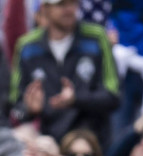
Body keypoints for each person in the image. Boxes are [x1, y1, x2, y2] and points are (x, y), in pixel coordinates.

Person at [9, 0, 120, 146]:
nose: (69, 9)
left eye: (73, 3)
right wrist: (28, 110)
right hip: (45, 141)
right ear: (45, 8)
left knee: (80, 145)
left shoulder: (97, 37)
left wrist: (76, 99)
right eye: (61, 4)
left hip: (90, 140)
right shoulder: (27, 46)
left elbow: (114, 97)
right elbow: (13, 109)